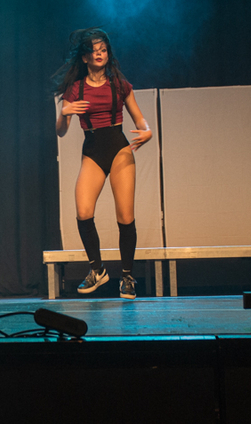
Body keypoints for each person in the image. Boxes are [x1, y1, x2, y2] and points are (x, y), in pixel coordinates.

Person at [54, 28, 152, 299]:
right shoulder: (75, 88)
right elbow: (61, 131)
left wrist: (147, 130)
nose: (99, 54)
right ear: (85, 57)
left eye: (103, 50)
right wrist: (63, 113)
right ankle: (97, 270)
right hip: (93, 150)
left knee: (125, 216)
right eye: (94, 50)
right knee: (83, 211)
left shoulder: (119, 84)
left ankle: (128, 277)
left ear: (108, 54)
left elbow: (139, 118)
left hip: (118, 148)